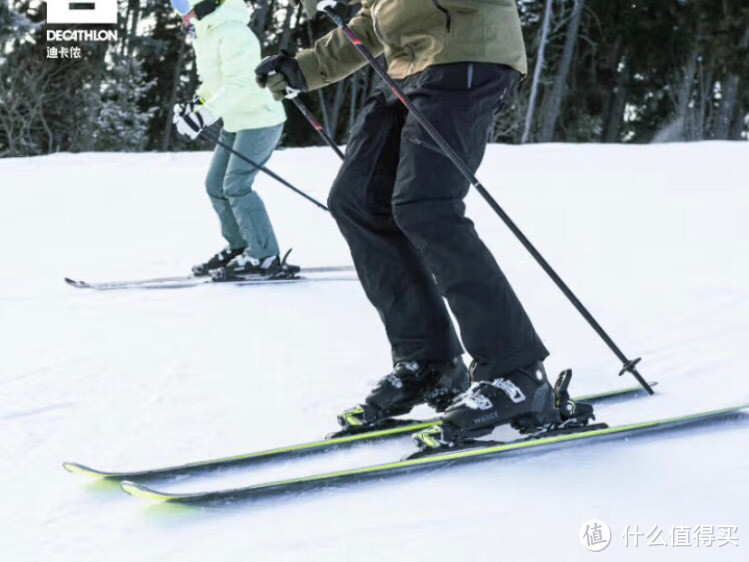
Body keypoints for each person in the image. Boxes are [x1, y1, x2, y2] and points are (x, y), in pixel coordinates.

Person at [256, 0, 554, 447]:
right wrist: (305, 68)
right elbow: (374, 21)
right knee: (356, 202)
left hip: (467, 57)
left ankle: (517, 373)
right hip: (408, 69)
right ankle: (429, 362)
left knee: (426, 204)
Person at [171, 0, 297, 278]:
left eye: (181, 5)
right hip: (236, 120)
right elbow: (214, 83)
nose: (178, 14)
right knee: (215, 185)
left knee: (237, 186)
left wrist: (204, 116)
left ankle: (265, 256)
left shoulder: (235, 33)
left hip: (260, 119)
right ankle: (241, 246)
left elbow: (240, 85)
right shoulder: (206, 34)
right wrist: (197, 105)